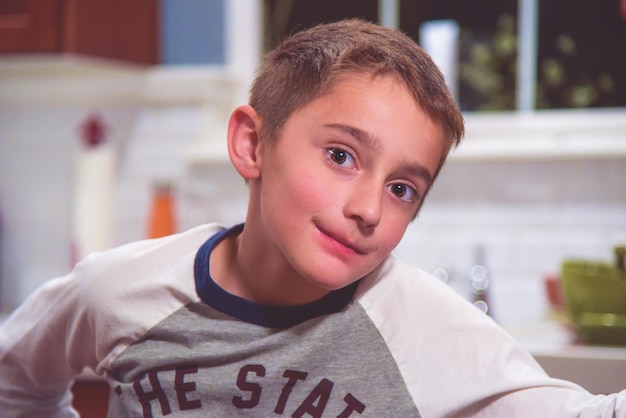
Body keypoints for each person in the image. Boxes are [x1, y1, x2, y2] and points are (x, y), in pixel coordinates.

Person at [0, 18, 624, 418]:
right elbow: (17, 378)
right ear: (252, 145)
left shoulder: (422, 326)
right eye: (340, 155)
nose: (369, 208)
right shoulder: (119, 290)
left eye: (403, 188)